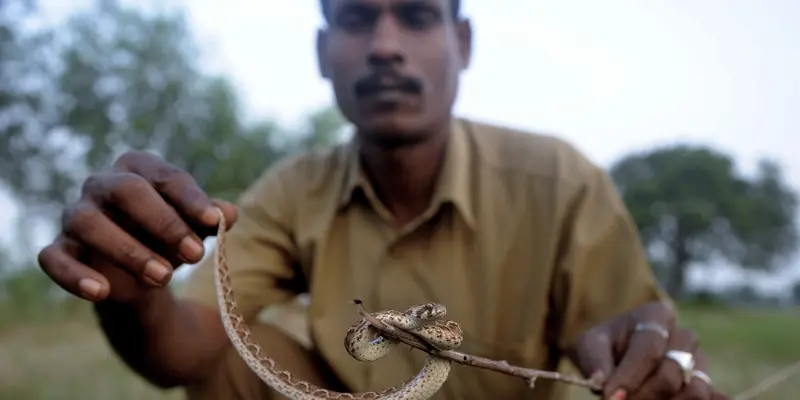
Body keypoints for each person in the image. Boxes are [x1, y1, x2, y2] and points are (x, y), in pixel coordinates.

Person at [37, 0, 730, 399]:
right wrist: (134, 298)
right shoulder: (291, 191)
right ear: (322, 50)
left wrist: (645, 359)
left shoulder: (560, 180)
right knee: (241, 356)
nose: (386, 48)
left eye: (419, 16)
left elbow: (618, 332)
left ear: (461, 43)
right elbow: (186, 351)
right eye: (358, 18)